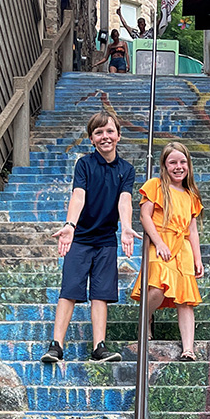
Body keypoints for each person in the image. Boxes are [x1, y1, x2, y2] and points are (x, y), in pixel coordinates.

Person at [41, 111, 135, 365]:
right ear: (92, 139)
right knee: (69, 290)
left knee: (101, 294)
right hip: (80, 238)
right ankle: (56, 345)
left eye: (109, 131)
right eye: (98, 132)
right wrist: (70, 225)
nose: (105, 136)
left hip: (106, 240)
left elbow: (124, 200)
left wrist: (126, 226)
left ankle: (99, 347)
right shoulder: (84, 164)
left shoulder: (126, 170)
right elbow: (78, 196)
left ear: (118, 135)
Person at [131, 141, 203, 361]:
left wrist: (197, 259)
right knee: (158, 289)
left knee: (186, 299)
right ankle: (146, 318)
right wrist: (159, 242)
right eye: (173, 162)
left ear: (188, 165)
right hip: (160, 243)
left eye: (183, 162)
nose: (178, 166)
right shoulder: (155, 185)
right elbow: (145, 216)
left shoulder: (191, 195)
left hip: (182, 249)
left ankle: (188, 349)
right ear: (164, 165)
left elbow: (192, 229)